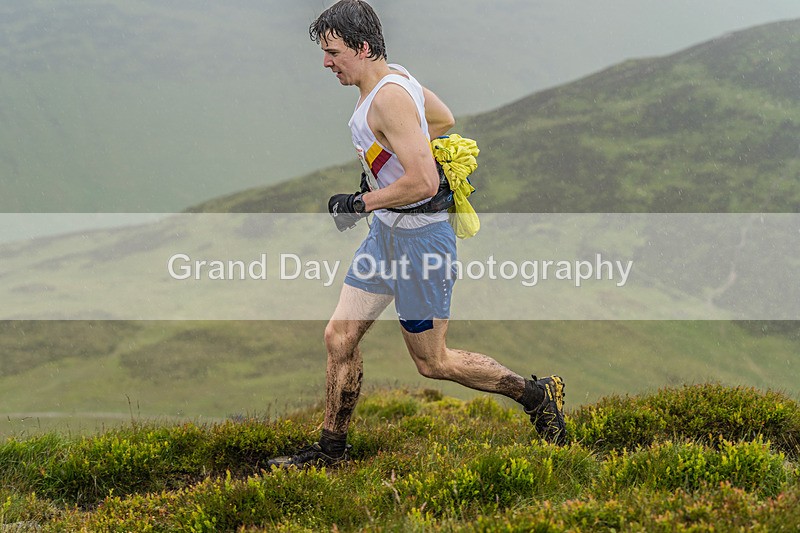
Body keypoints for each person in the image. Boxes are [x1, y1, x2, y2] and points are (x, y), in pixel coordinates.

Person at [268, 0, 565, 468]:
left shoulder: (389, 95)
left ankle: (535, 395)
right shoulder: (395, 77)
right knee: (339, 337)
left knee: (433, 363)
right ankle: (330, 451)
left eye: (333, 52)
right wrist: (386, 171)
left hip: (421, 243)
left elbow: (425, 182)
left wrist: (360, 201)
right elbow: (441, 118)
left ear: (362, 47)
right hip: (386, 236)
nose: (326, 62)